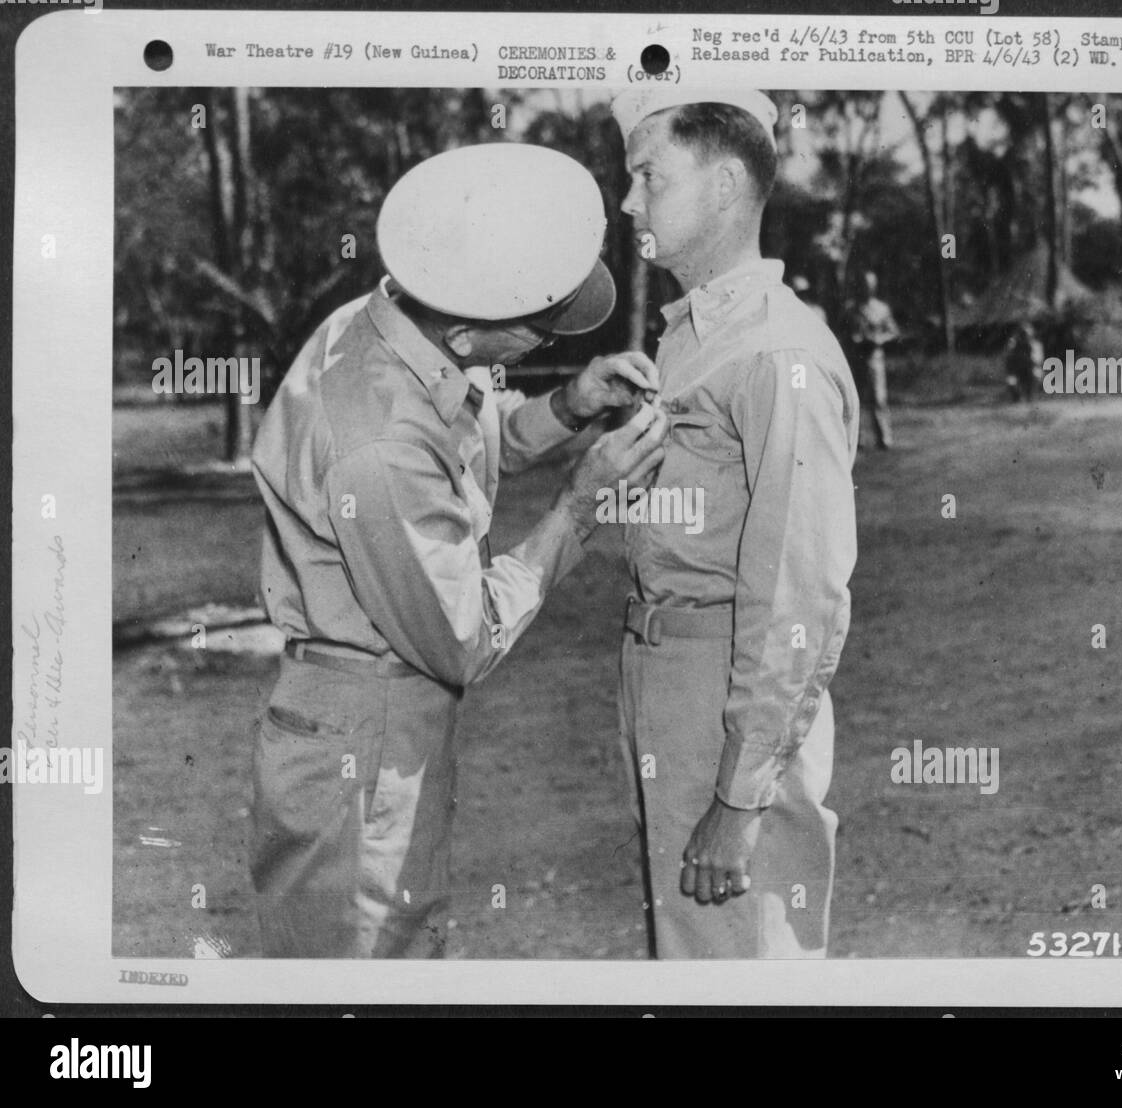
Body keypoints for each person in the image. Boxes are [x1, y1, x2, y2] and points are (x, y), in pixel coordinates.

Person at [248, 142, 668, 958]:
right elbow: (462, 637)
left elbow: (465, 449)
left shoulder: (393, 331)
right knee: (371, 964)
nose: (543, 345)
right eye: (538, 334)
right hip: (362, 736)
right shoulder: (376, 438)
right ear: (476, 333)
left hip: (368, 720)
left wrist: (571, 405)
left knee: (395, 946)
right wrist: (579, 510)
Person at [611, 88, 859, 958]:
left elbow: (800, 590)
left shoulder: (775, 352)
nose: (629, 200)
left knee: (744, 966)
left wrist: (741, 796)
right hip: (670, 681)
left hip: (732, 696)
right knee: (692, 956)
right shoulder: (692, 339)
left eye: (648, 175)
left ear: (723, 186)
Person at [848, 271, 901, 449]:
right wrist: (854, 338)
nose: (867, 287)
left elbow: (893, 331)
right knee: (857, 399)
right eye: (864, 284)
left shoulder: (882, 308)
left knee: (879, 398)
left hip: (875, 357)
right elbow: (844, 330)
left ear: (874, 286)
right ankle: (858, 439)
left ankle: (884, 437)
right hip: (857, 357)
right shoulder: (853, 308)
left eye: (870, 284)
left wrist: (880, 339)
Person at [1004, 320, 1044, 402]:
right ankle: (1017, 397)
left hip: (1030, 370)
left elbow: (1038, 362)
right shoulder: (1013, 345)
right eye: (1022, 334)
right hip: (1017, 370)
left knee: (1036, 375)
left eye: (1026, 334)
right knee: (1011, 381)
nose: (1024, 337)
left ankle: (1030, 395)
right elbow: (1009, 360)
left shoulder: (1036, 345)